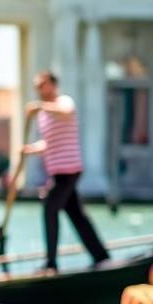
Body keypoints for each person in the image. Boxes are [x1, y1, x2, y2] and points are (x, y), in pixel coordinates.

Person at [22, 70, 110, 273]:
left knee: (50, 209)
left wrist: (40, 106)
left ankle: (51, 263)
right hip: (58, 172)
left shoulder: (63, 102)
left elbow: (66, 111)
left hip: (69, 170)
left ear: (53, 84)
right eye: (37, 86)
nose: (39, 90)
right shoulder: (44, 115)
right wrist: (31, 149)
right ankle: (101, 256)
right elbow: (49, 143)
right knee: (77, 215)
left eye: (42, 85)